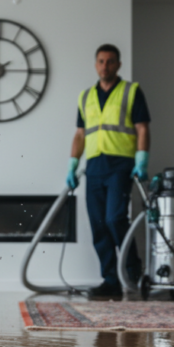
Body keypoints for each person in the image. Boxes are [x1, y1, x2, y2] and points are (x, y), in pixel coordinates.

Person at [67, 44, 150, 298]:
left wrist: (142, 159)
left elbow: (142, 128)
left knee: (115, 218)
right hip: (94, 166)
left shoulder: (131, 91)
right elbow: (81, 134)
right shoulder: (85, 97)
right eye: (101, 61)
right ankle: (110, 280)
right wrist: (72, 163)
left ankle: (132, 269)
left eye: (111, 61)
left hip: (120, 164)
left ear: (119, 65)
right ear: (96, 65)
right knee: (99, 225)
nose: (106, 66)